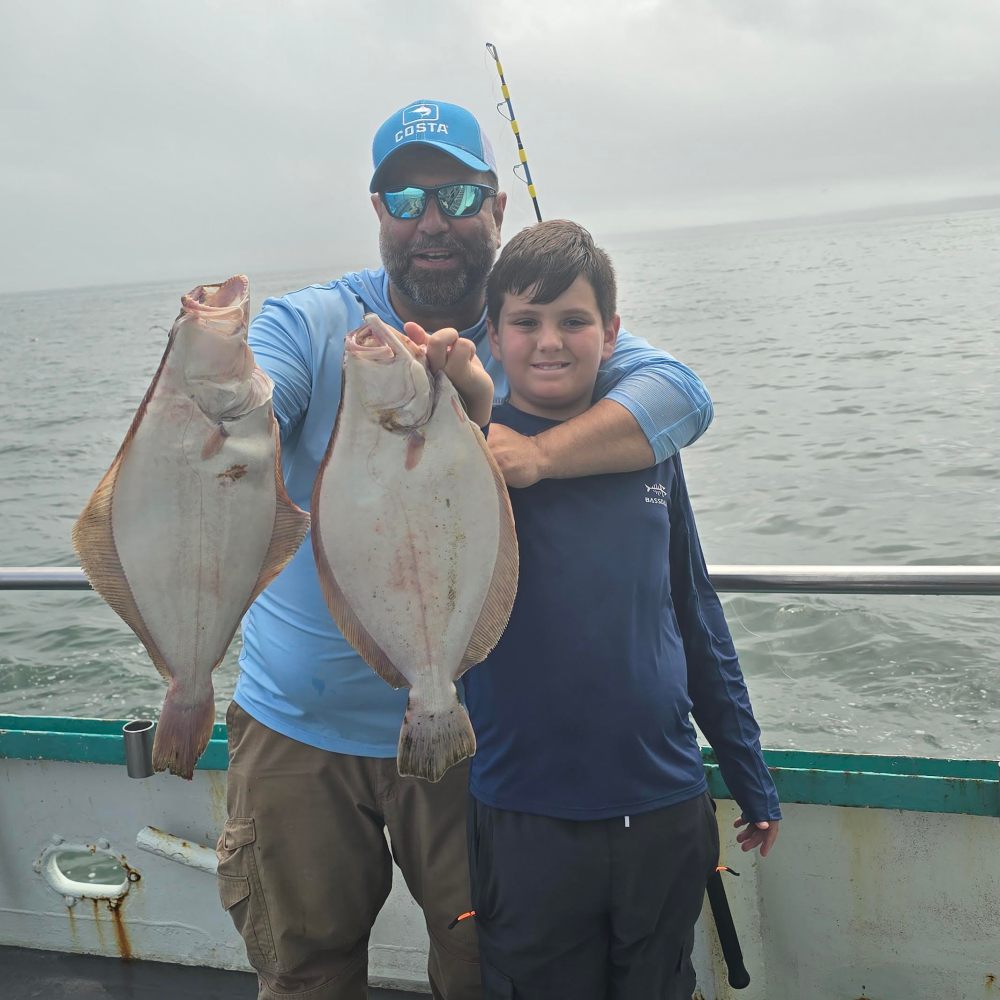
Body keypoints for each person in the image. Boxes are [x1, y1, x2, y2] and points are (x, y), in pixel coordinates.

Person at [216, 99, 715, 1000]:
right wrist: (220, 397)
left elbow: (680, 395)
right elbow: (262, 395)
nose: (432, 221)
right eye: (405, 201)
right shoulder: (320, 323)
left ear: (497, 206)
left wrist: (533, 452)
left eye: (454, 194)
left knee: (481, 970)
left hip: (471, 735)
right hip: (298, 726)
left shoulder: (529, 329)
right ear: (377, 215)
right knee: (304, 973)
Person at [462, 219, 781, 1000]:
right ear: (493, 338)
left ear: (611, 333)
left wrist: (745, 767)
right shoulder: (464, 453)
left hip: (664, 799)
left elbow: (695, 610)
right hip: (524, 807)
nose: (550, 342)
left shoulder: (648, 447)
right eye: (526, 322)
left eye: (573, 321)